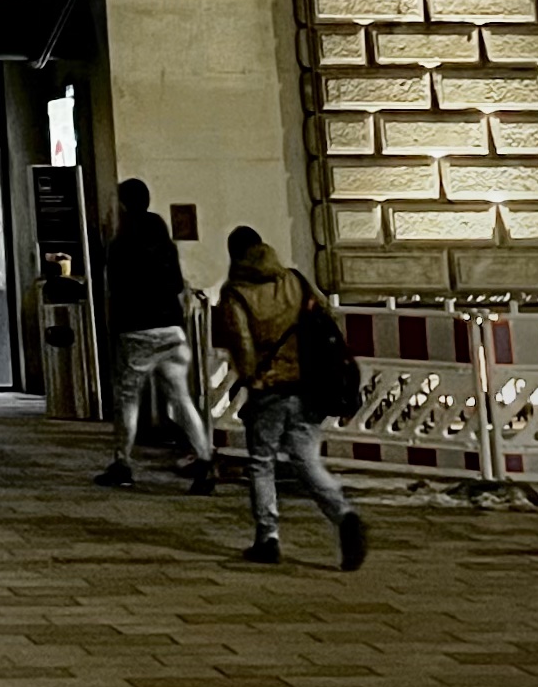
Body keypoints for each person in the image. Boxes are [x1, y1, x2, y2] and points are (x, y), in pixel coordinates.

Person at [214, 225, 366, 571]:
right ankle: (343, 514)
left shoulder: (236, 292)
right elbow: (327, 317)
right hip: (309, 386)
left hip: (271, 389)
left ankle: (267, 537)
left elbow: (242, 342)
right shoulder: (294, 279)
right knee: (306, 460)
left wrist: (253, 378)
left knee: (261, 462)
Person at [94, 177, 217, 494]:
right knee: (180, 397)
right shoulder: (164, 242)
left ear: (122, 204)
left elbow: (116, 293)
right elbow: (177, 286)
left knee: (127, 399)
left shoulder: (120, 245)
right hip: (172, 330)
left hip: (137, 330)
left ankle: (122, 463)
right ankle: (204, 458)